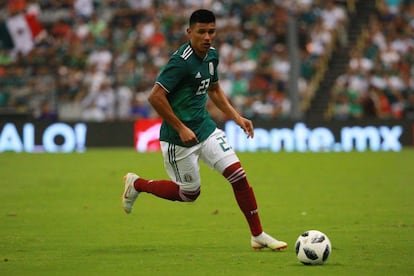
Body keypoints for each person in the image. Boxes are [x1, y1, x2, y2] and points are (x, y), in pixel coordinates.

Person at [121, 9, 287, 251]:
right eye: (202, 32)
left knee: (238, 176)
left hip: (206, 128)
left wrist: (237, 117)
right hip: (178, 140)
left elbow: (215, 90)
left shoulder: (212, 56)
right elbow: (155, 97)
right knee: (190, 194)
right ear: (190, 32)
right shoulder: (180, 62)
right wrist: (180, 128)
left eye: (212, 31)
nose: (207, 36)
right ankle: (137, 184)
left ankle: (258, 234)